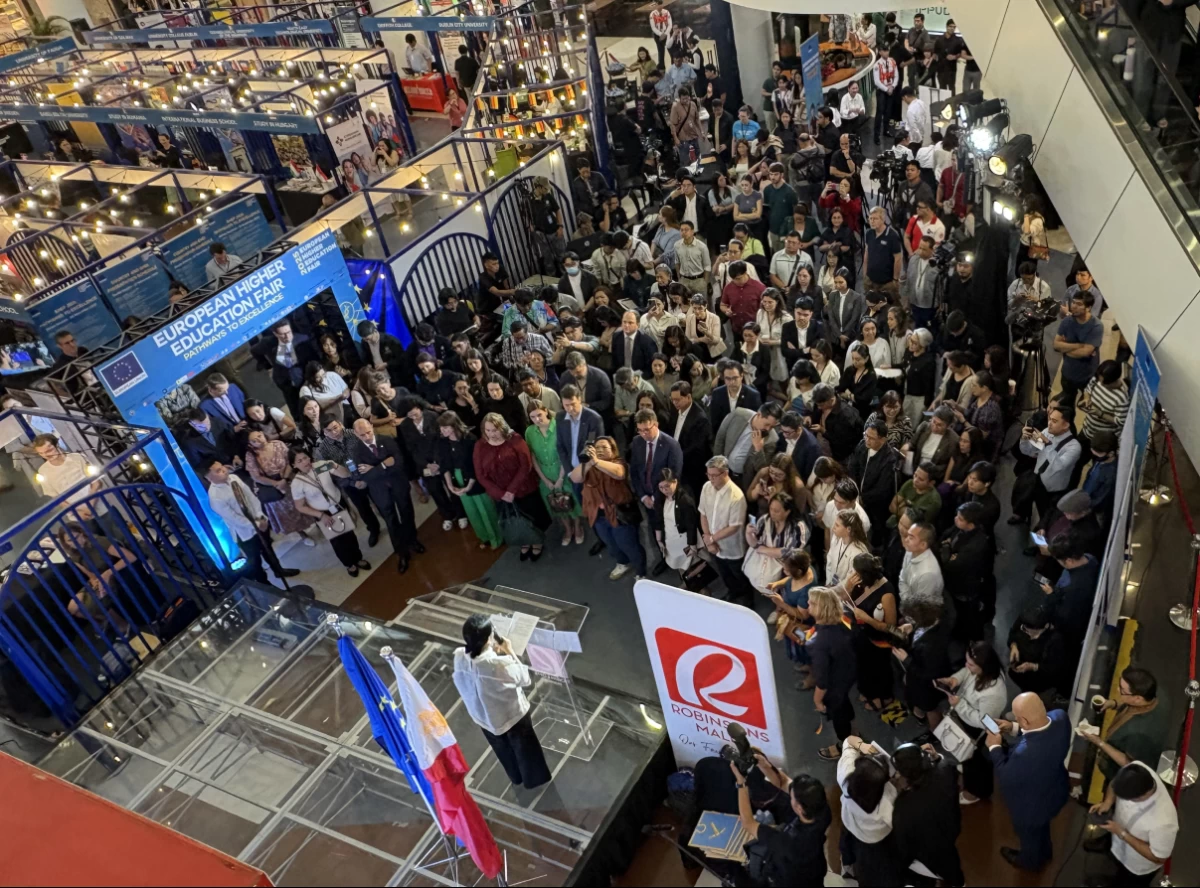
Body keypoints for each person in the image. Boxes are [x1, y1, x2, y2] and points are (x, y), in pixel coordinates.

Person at [453, 614, 551, 789]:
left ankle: (515, 777)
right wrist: (508, 650)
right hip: (512, 717)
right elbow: (524, 678)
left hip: (484, 719)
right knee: (526, 751)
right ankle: (533, 780)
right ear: (489, 638)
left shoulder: (459, 657)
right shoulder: (498, 664)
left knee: (503, 751)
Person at [988, 693, 1071, 871]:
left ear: (1025, 721)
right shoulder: (1061, 717)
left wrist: (994, 747)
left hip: (1031, 807)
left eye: (1016, 718)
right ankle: (1046, 851)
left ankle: (1029, 861)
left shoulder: (1024, 754)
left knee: (1029, 836)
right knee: (1043, 827)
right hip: (1056, 790)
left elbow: (1006, 777)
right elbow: (1038, 730)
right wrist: (1013, 727)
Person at [203, 459, 299, 584]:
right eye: (218, 471)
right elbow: (234, 518)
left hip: (259, 522)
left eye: (222, 467)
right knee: (255, 560)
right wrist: (255, 525)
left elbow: (251, 498)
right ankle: (264, 584)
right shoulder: (215, 497)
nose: (224, 470)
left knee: (267, 548)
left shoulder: (234, 478)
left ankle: (278, 570)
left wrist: (260, 517)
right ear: (209, 478)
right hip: (244, 532)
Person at [349, 418, 424, 573]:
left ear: (371, 426)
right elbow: (365, 477)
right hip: (380, 492)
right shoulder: (356, 451)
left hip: (398, 484)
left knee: (407, 513)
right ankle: (401, 553)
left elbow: (399, 463)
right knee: (391, 521)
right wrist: (383, 464)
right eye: (362, 435)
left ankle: (412, 540)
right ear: (356, 434)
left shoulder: (387, 440)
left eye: (368, 432)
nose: (367, 436)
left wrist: (374, 469)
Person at [1087, 761, 1179, 886]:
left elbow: (1159, 857)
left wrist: (1122, 833)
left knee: (1127, 882)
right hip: (1118, 839)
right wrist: (1107, 802)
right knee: (1116, 869)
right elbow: (1114, 784)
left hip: (1136, 864)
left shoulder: (1164, 822)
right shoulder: (1136, 769)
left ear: (1140, 797)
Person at [1083, 666, 1172, 787]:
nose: (1117, 690)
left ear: (1137, 698)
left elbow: (1129, 763)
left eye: (1122, 690)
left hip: (1120, 774)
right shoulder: (1156, 694)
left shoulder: (1139, 733)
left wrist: (1099, 742)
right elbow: (1129, 701)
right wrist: (1113, 703)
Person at [288, 447, 370, 577]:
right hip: (322, 513)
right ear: (294, 465)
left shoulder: (321, 466)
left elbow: (346, 474)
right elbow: (300, 506)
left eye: (305, 458)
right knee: (337, 540)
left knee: (349, 533)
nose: (304, 462)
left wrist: (335, 465)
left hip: (338, 504)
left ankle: (358, 557)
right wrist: (321, 515)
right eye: (299, 461)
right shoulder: (297, 484)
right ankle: (349, 563)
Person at [891, 742, 963, 886]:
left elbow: (904, 844)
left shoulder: (903, 806)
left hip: (929, 850)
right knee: (952, 865)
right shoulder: (944, 773)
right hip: (951, 831)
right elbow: (948, 767)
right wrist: (937, 758)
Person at [572, 434, 642, 579]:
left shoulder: (618, 462)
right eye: (597, 448)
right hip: (599, 516)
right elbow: (575, 477)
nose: (601, 450)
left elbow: (619, 473)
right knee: (611, 544)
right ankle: (622, 562)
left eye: (605, 447)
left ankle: (641, 572)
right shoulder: (590, 465)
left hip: (619, 514)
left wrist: (597, 461)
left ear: (613, 449)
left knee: (629, 544)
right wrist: (589, 463)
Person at [837, 737, 901, 884]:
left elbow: (849, 741)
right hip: (873, 839)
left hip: (848, 822)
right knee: (869, 867)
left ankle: (847, 867)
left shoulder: (846, 776)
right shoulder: (888, 801)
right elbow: (899, 826)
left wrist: (862, 746)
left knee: (845, 846)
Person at [437, 411, 501, 548]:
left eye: (446, 427)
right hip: (457, 478)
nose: (443, 430)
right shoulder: (442, 442)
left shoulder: (469, 439)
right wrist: (450, 485)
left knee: (485, 509)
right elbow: (444, 466)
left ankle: (496, 537)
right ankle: (483, 537)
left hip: (475, 478)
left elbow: (476, 464)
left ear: (454, 426)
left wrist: (469, 485)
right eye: (441, 428)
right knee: (472, 511)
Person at [1054, 289, 1104, 410]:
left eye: (1079, 304)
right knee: (1066, 407)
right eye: (1074, 302)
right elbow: (1056, 345)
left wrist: (1064, 348)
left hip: (1087, 376)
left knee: (1087, 406)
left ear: (1088, 308)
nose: (1074, 306)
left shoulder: (1096, 326)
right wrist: (1078, 345)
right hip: (1068, 373)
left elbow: (1085, 352)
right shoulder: (1067, 321)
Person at [254, 320, 316, 417]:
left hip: (304, 381)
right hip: (286, 385)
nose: (287, 337)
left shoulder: (302, 339)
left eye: (288, 332)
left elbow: (314, 360)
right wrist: (268, 367)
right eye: (282, 334)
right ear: (275, 334)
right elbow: (254, 350)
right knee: (297, 413)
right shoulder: (267, 342)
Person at [898, 520, 944, 610]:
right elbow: (902, 579)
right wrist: (905, 601)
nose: (906, 539)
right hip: (907, 606)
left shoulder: (928, 574)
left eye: (911, 538)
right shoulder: (910, 550)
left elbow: (921, 608)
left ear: (923, 545)